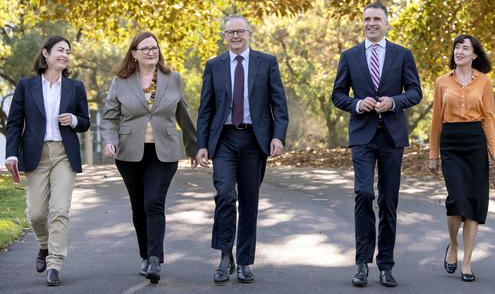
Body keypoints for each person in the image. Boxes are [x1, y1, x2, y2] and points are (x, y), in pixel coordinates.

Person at [332, 2, 422, 287]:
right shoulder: (349, 56)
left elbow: (416, 92)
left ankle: (385, 264)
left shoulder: (402, 55)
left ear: (386, 23)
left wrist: (394, 102)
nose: (371, 23)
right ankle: (361, 263)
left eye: (377, 19)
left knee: (388, 201)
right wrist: (357, 103)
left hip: (392, 137)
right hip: (362, 136)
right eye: (367, 19)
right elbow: (337, 95)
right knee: (363, 194)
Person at [196, 15, 289, 284]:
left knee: (249, 202)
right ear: (224, 36)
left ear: (249, 33)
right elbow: (206, 109)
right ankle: (226, 256)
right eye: (230, 32)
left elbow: (279, 105)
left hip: (254, 141)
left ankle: (246, 261)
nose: (235, 36)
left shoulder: (267, 62)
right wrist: (202, 144)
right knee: (225, 195)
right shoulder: (214, 66)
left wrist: (278, 137)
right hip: (223, 140)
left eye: (240, 31)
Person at [100, 31, 198, 284]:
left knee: (153, 202)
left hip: (164, 152)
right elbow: (110, 115)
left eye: (154, 47)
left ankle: (155, 259)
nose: (151, 52)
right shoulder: (121, 81)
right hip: (129, 153)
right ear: (134, 54)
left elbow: (183, 115)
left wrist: (194, 148)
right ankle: (145, 255)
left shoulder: (173, 78)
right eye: (145, 49)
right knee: (138, 205)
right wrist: (109, 140)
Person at [4, 35, 90, 286]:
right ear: (45, 54)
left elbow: (84, 122)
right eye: (60, 50)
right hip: (35, 155)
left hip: (64, 153)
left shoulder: (75, 87)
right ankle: (43, 245)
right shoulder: (26, 85)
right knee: (37, 214)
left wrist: (73, 120)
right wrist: (11, 153)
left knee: (60, 210)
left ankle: (54, 263)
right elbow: (14, 123)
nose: (65, 55)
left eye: (68, 52)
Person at [428, 34, 495, 283]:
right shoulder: (442, 82)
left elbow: (489, 118)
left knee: (474, 204)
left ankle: (468, 262)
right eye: (457, 47)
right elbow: (436, 121)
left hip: (475, 142)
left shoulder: (484, 82)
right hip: (451, 142)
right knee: (456, 201)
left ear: (474, 55)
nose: (459, 51)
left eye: (465, 48)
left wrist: (494, 151)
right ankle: (453, 244)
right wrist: (433, 154)